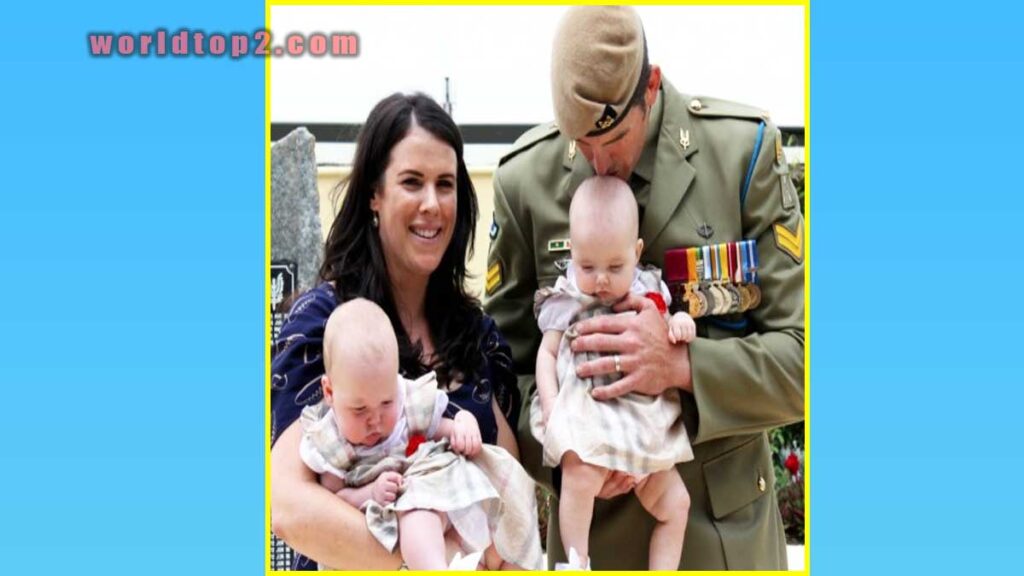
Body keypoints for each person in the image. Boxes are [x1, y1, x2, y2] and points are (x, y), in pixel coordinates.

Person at [485, 6, 805, 570]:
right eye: (581, 145)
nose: (599, 163)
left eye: (613, 140)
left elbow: (805, 356)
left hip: (720, 538)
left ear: (650, 86)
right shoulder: (525, 181)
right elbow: (501, 374)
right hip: (591, 541)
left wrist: (680, 366)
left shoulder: (741, 156)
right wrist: (571, 453)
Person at [271, 93, 524, 570]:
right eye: (412, 182)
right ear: (374, 194)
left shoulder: (477, 336)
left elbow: (509, 493)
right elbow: (289, 507)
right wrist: (439, 560)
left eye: (445, 184)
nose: (432, 203)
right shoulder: (324, 324)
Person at [299, 298, 540, 571]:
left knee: (490, 518)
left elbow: (442, 428)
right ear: (330, 393)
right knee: (417, 515)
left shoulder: (408, 403)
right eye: (359, 409)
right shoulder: (332, 443)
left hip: (443, 492)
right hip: (399, 514)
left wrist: (463, 423)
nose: (375, 420)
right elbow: (333, 501)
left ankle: (505, 560)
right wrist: (369, 492)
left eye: (386, 402)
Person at [530, 176, 693, 570]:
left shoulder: (650, 291)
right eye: (587, 265)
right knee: (579, 475)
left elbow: (671, 328)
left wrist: (682, 322)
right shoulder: (567, 297)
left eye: (615, 266)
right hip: (586, 416)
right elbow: (546, 354)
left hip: (642, 424)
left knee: (677, 504)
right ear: (571, 252)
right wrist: (552, 406)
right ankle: (576, 560)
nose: (600, 279)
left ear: (637, 253)